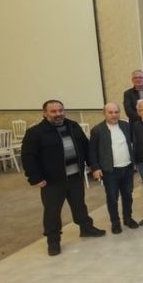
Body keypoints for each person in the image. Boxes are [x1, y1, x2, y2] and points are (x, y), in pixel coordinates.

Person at [22, 100, 106, 256]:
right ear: (44, 113)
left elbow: (85, 146)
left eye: (60, 110)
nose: (58, 114)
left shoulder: (73, 126)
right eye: (53, 111)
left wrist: (92, 165)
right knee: (52, 211)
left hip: (75, 176)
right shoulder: (35, 133)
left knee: (79, 205)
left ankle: (86, 228)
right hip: (52, 181)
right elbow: (28, 158)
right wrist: (34, 178)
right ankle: (53, 240)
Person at [88, 103, 138, 234]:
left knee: (127, 195)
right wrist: (95, 168)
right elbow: (92, 151)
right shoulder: (97, 130)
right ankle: (115, 222)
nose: (114, 115)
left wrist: (135, 162)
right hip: (110, 170)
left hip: (127, 168)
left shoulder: (126, 126)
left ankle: (128, 218)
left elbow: (133, 143)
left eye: (116, 112)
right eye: (110, 112)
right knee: (112, 197)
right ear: (103, 113)